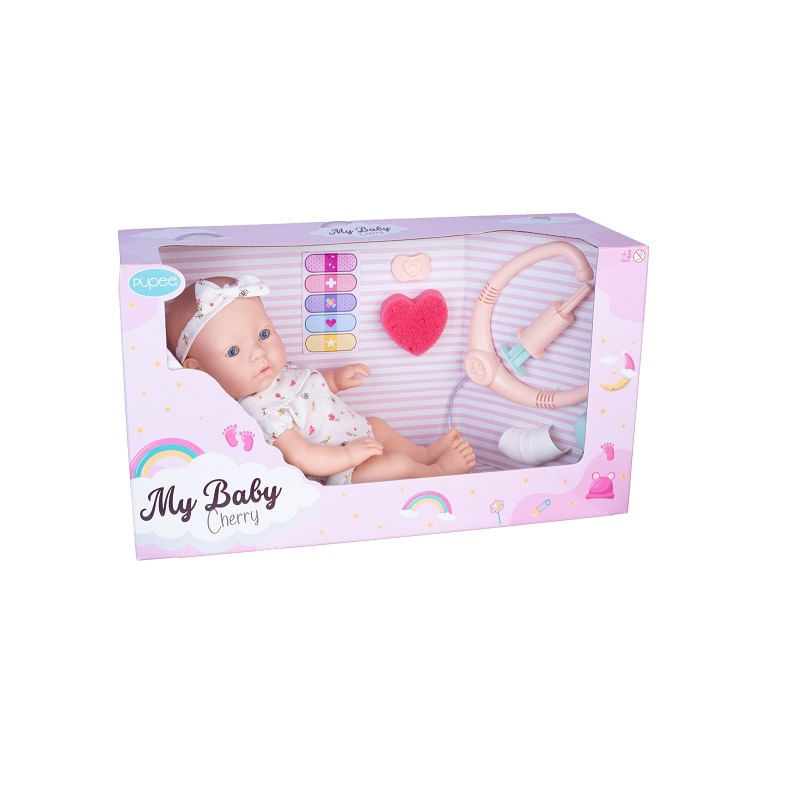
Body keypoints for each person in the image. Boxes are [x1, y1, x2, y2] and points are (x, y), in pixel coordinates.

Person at [166, 274, 476, 484]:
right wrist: (349, 455)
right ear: (200, 372)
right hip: (343, 471)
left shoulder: (279, 374)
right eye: (233, 352)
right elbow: (303, 456)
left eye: (263, 334)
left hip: (357, 435)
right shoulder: (259, 412)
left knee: (379, 426)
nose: (259, 353)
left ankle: (423, 453)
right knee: (397, 467)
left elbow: (309, 390)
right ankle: (437, 472)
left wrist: (336, 380)